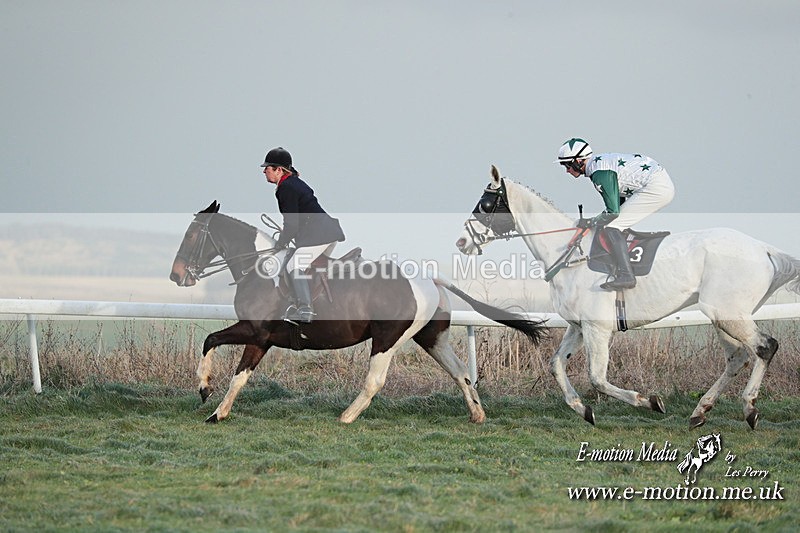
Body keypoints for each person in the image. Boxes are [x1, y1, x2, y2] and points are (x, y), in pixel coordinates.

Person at [556, 138, 675, 290]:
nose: (567, 170)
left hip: (655, 188)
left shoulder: (599, 173)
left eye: (567, 165)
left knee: (612, 226)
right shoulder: (598, 165)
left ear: (578, 161)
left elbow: (612, 212)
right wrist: (596, 220)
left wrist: (591, 222)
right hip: (656, 182)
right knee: (613, 223)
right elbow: (617, 203)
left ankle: (627, 276)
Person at [261, 147, 345, 323]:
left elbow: (291, 223)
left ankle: (305, 310)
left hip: (320, 235)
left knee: (293, 265)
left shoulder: (286, 187)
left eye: (267, 168)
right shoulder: (291, 183)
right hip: (324, 233)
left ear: (278, 170)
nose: (264, 171)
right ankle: (310, 303)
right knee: (307, 269)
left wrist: (280, 243)